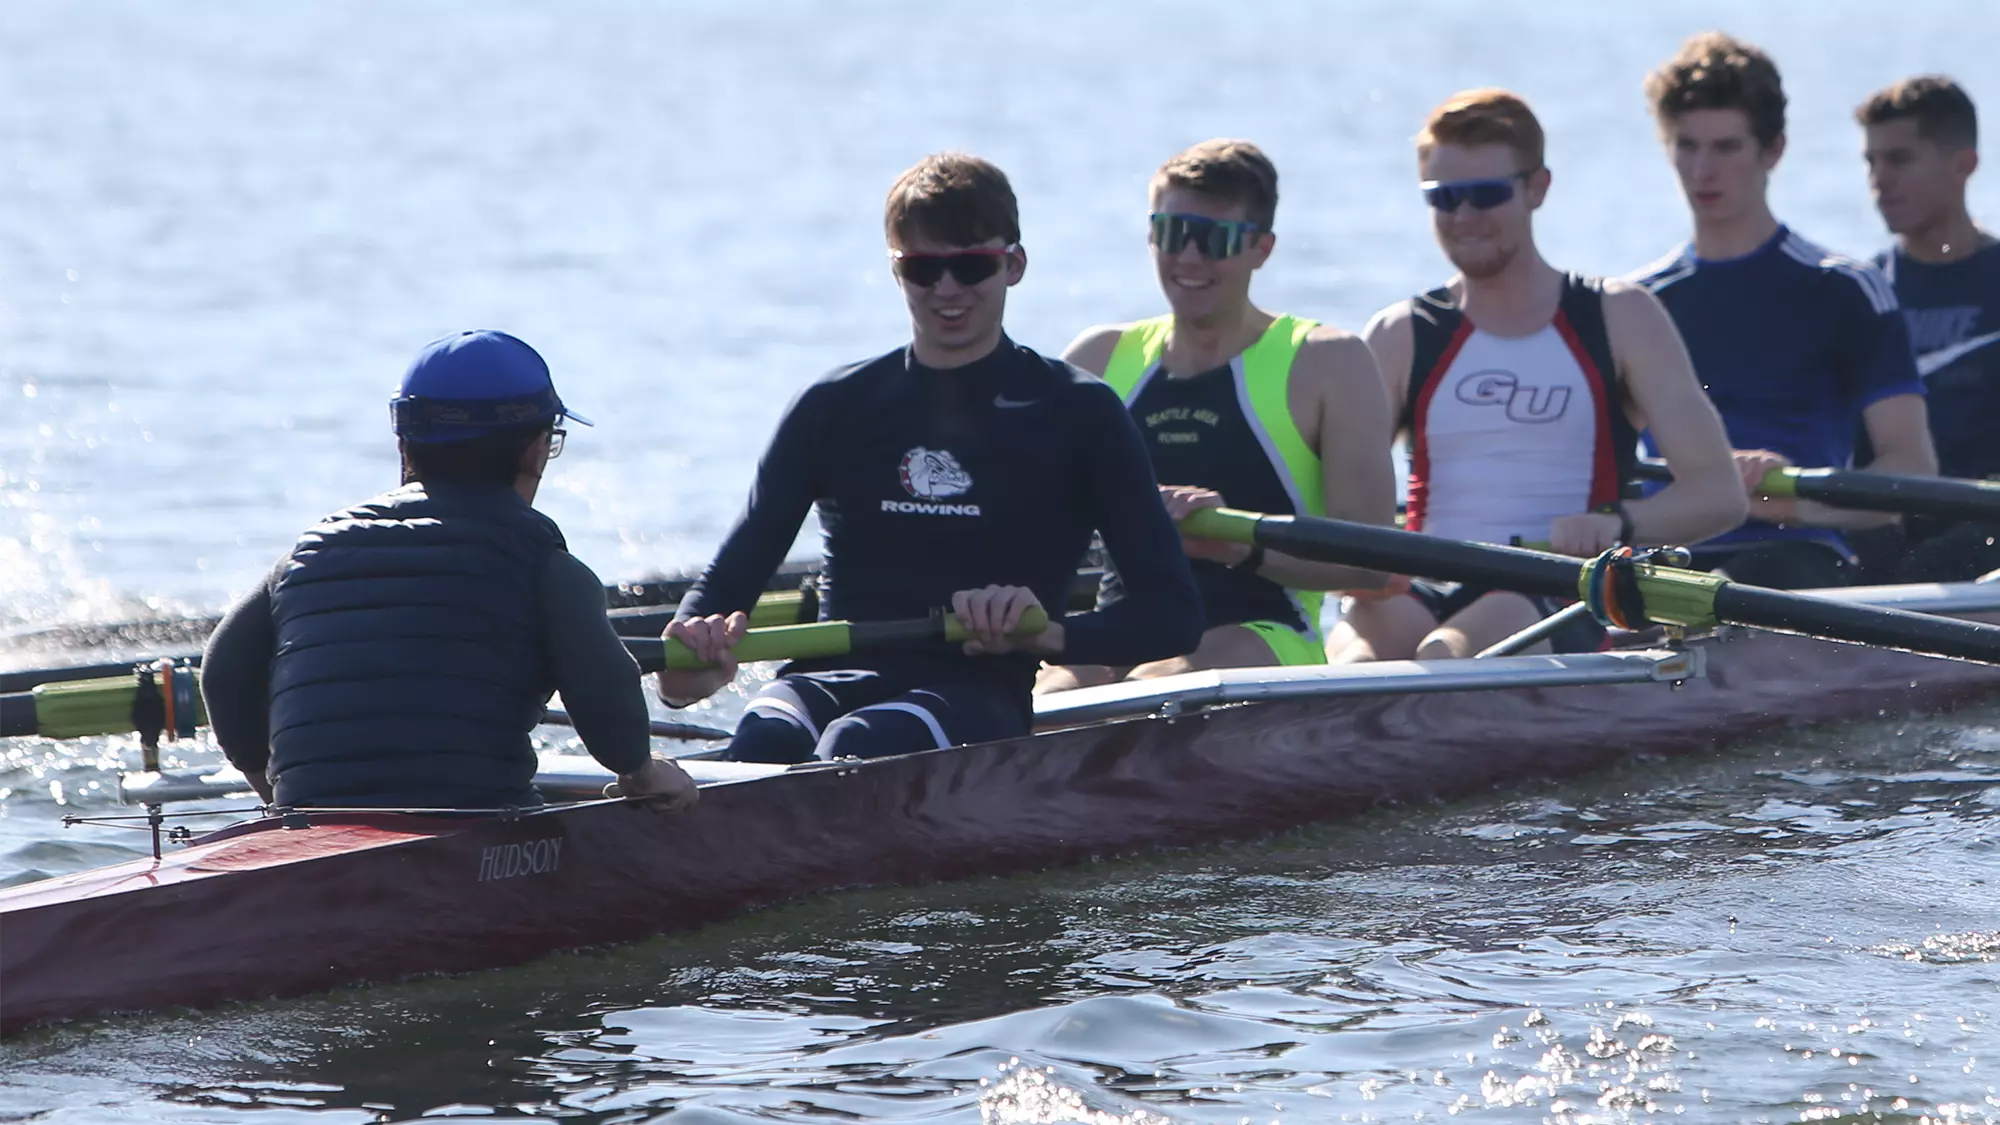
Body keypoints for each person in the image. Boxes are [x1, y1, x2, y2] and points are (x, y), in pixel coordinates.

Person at [659, 152, 1203, 762]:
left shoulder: (1080, 413)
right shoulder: (833, 405)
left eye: (970, 267)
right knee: (768, 737)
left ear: (1013, 265)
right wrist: (693, 655)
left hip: (973, 690)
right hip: (828, 674)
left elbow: (1172, 615)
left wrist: (1049, 633)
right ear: (896, 271)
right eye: (922, 269)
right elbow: (726, 586)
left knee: (859, 743)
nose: (947, 290)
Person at [201, 331, 698, 810]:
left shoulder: (310, 553)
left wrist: (274, 791)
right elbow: (601, 684)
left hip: (311, 818)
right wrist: (641, 772)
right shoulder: (546, 567)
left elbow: (222, 671)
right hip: (475, 820)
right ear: (535, 449)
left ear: (404, 445)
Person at [1329, 89, 1744, 662]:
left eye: (1485, 195)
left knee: (1442, 656)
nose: (1464, 218)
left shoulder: (1619, 316)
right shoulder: (1401, 332)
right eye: (1444, 199)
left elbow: (1719, 494)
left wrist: (1618, 523)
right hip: (1424, 578)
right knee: (1359, 664)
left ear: (1537, 189)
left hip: (1560, 584)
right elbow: (1335, 498)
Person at [1037, 139, 1396, 691]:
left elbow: (1374, 564)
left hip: (1263, 631)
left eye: (1213, 239)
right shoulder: (1097, 358)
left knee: (1149, 686)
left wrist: (1244, 548)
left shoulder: (1329, 362)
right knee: (1040, 698)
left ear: (1262, 249)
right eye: (1172, 234)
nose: (1189, 258)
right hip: (1120, 628)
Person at [1633, 32, 1938, 589]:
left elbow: (1911, 469)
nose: (1703, 171)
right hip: (1662, 564)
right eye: (1687, 146)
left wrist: (1791, 505)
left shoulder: (1845, 290)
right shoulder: (1635, 306)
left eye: (1726, 147)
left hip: (1793, 557)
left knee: (1738, 590)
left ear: (1773, 150)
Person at [1850, 75, 2000, 583]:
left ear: (1964, 165)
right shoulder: (1860, 294)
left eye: (1899, 160)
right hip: (1887, 529)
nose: (1879, 180)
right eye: (1871, 162)